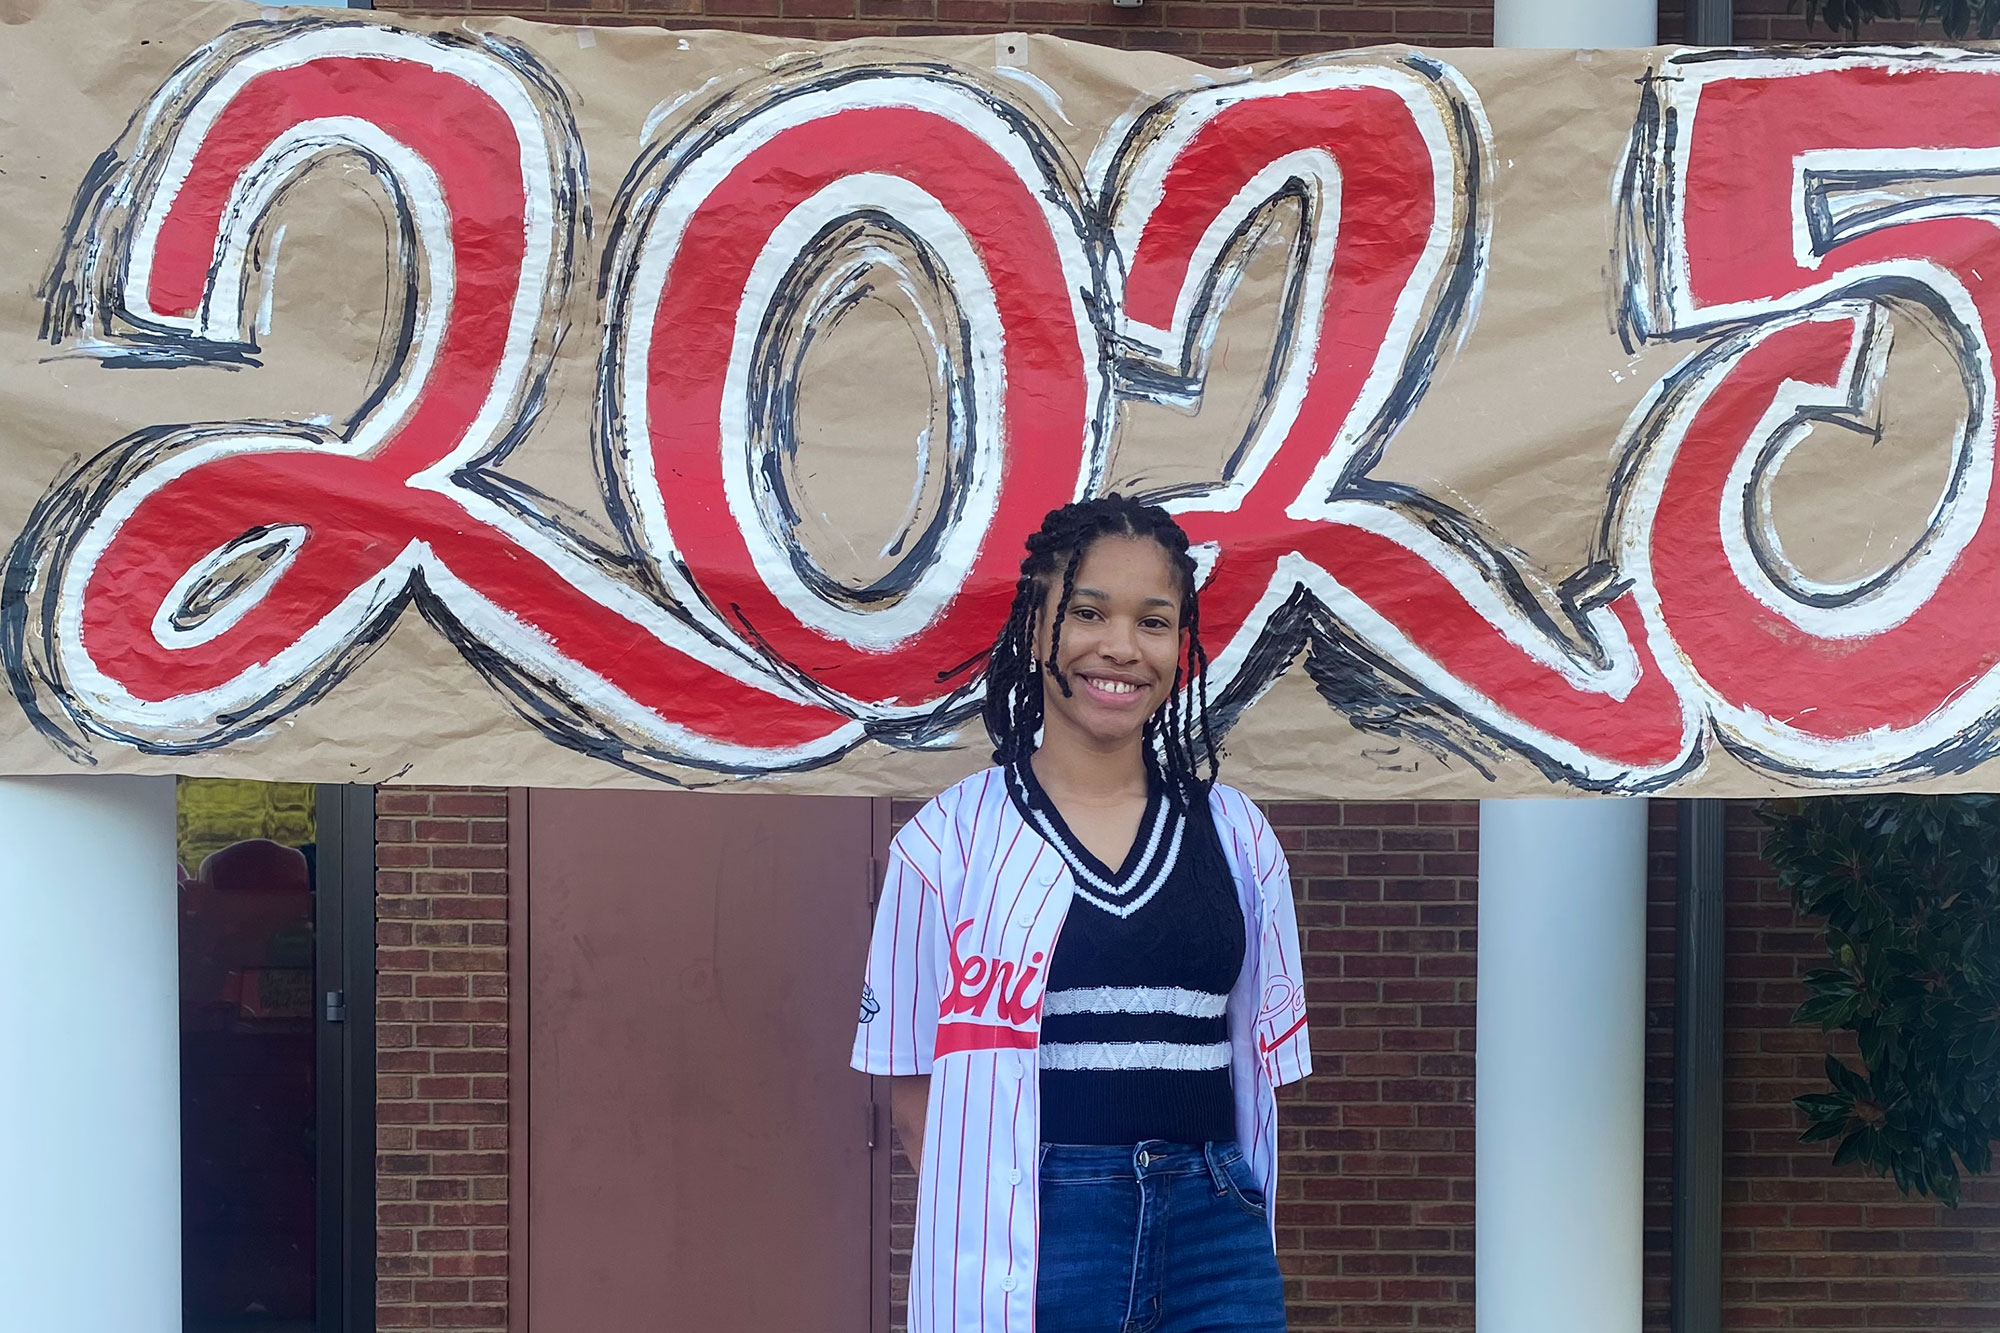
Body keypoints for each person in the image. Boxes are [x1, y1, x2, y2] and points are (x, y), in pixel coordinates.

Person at [851, 494, 1312, 1333]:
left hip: (1216, 1221)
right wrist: (1000, 1210)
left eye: (1154, 621)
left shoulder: (1240, 836)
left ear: (1182, 646)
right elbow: (910, 1075)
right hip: (1041, 1225)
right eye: (1089, 611)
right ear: (1036, 629)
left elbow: (1262, 1065)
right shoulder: (946, 843)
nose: (1121, 647)